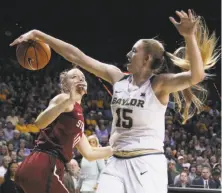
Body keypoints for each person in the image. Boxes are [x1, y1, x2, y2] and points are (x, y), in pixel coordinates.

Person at [11, 9, 219, 193]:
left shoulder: (158, 85)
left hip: (146, 163)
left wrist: (190, 36)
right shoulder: (117, 77)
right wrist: (39, 35)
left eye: (134, 51)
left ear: (147, 59)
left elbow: (196, 76)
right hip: (116, 163)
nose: (128, 54)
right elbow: (78, 56)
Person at [12, 68, 113, 193]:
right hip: (44, 164)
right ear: (65, 85)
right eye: (74, 77)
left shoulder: (78, 113)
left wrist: (117, 149)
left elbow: (90, 153)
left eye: (82, 76)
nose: (80, 78)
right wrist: (70, 98)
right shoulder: (63, 99)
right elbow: (39, 123)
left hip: (40, 167)